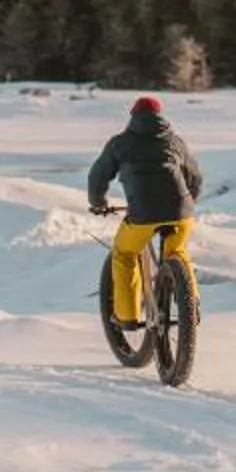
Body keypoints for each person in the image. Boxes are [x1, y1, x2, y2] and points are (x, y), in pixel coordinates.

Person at [87, 94, 203, 325]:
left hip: (143, 215)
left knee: (124, 254)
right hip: (181, 212)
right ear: (160, 116)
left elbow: (97, 176)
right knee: (178, 252)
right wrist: (188, 202)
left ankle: (128, 317)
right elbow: (195, 177)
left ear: (133, 117)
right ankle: (191, 309)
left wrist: (98, 203)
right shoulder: (175, 142)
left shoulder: (120, 143)